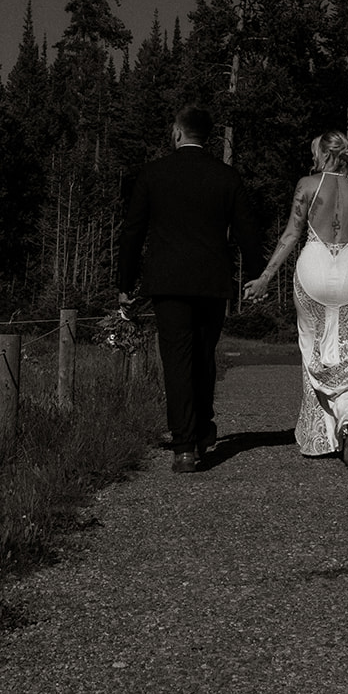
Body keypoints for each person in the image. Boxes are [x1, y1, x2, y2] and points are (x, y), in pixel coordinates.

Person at [117, 105, 264, 473]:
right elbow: (248, 230)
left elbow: (133, 231)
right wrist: (257, 274)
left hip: (168, 282)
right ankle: (202, 429)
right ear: (206, 136)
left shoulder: (153, 175)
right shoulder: (226, 177)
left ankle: (184, 446)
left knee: (177, 360)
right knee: (203, 354)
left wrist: (125, 282)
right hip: (212, 281)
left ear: (177, 132)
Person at [243, 131, 348, 466]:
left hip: (314, 268)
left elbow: (293, 233)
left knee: (315, 348)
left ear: (324, 154)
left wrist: (266, 277)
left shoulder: (307, 185)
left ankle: (325, 432)